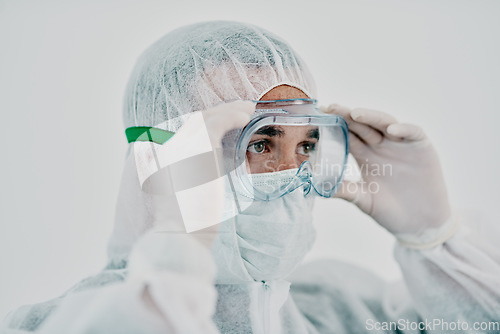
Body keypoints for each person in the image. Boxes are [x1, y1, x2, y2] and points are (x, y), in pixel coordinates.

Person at [2, 21, 499, 334]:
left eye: (306, 144)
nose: (288, 175)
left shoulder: (342, 309)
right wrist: (178, 249)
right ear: (157, 160)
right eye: (257, 142)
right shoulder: (63, 323)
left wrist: (434, 240)